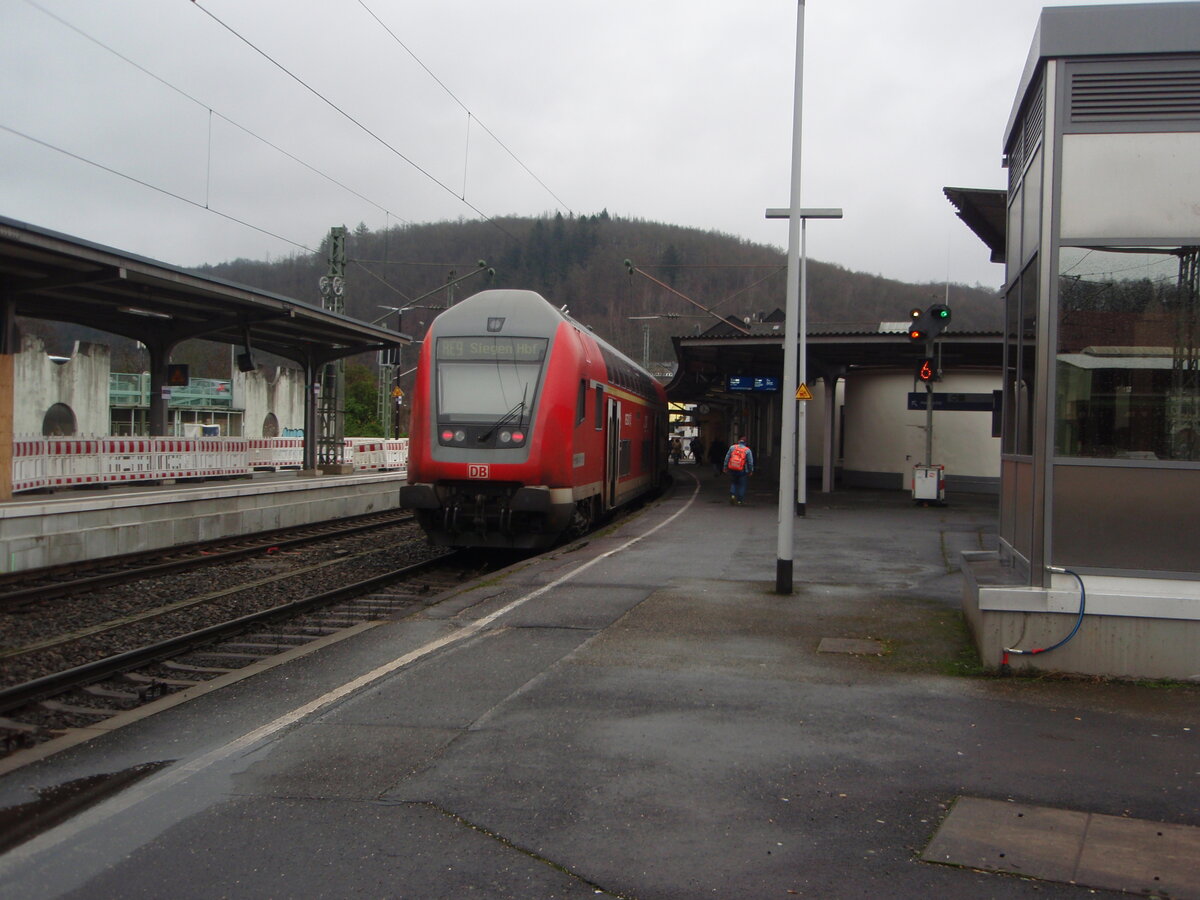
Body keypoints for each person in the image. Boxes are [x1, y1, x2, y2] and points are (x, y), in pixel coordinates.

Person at [723, 435, 754, 505]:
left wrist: (725, 467)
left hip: (733, 468)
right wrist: (751, 470)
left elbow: (727, 458)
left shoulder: (732, 447)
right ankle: (740, 500)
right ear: (746, 442)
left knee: (734, 483)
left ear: (738, 441)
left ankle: (733, 495)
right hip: (743, 470)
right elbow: (750, 462)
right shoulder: (747, 450)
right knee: (742, 485)